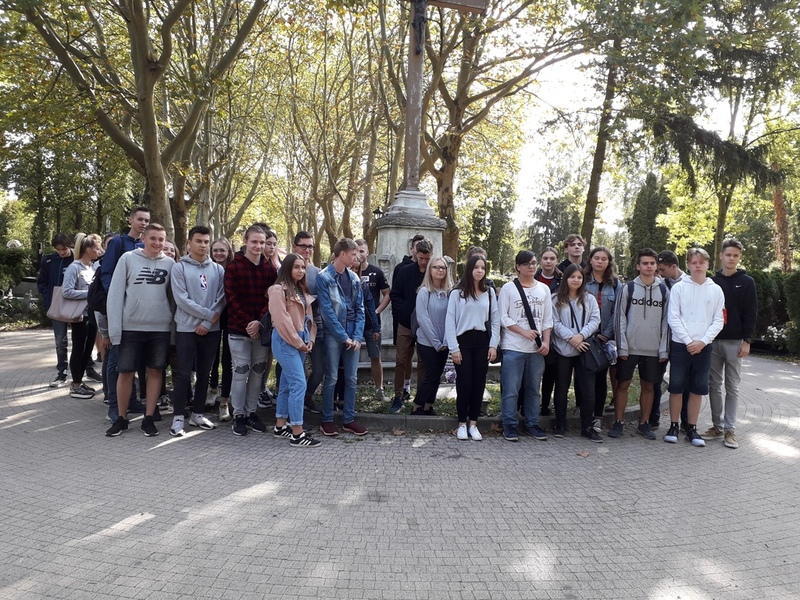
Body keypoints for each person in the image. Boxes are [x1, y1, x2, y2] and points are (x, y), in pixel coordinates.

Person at [105, 223, 175, 437]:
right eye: (153, 238)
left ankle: (149, 417)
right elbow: (115, 295)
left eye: (161, 239)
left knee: (155, 371)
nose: (157, 243)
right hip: (131, 327)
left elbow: (173, 299)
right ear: (143, 238)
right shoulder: (127, 259)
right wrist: (114, 330)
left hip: (159, 329)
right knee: (126, 372)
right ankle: (121, 418)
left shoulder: (170, 264)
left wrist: (172, 330)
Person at [663, 248, 725, 447]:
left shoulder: (716, 290)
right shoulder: (679, 288)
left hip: (703, 347)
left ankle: (692, 427)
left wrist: (703, 341)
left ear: (708, 264)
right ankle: (673, 426)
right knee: (676, 387)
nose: (698, 266)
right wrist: (688, 340)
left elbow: (718, 320)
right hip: (681, 345)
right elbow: (673, 317)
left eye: (701, 262)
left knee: (697, 389)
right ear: (688, 265)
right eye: (694, 262)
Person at [607, 248, 669, 441]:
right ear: (638, 266)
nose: (649, 266)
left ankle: (644, 423)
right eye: (645, 263)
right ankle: (618, 422)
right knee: (623, 384)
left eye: (652, 263)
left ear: (656, 266)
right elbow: (619, 318)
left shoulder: (664, 290)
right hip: (630, 347)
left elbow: (667, 322)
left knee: (648, 386)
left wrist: (663, 349)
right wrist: (622, 346)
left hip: (653, 349)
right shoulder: (629, 288)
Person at [169, 225, 225, 436]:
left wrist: (208, 323)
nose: (203, 245)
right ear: (189, 243)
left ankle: (198, 414)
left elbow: (221, 298)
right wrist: (208, 315)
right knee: (183, 374)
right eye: (198, 241)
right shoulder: (179, 268)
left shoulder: (218, 270)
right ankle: (178, 418)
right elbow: (182, 299)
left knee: (205, 373)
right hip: (186, 328)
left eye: (206, 242)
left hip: (211, 330)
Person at [703, 238, 758, 449]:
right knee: (713, 385)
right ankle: (717, 426)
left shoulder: (747, 282)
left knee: (732, 387)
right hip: (713, 341)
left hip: (735, 343)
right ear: (721, 256)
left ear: (739, 257)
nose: (731, 258)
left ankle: (730, 430)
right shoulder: (711, 282)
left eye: (735, 255)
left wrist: (747, 341)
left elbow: (751, 313)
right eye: (728, 255)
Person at [100, 205, 150, 423]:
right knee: (115, 359)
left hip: (139, 313)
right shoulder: (118, 243)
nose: (143, 223)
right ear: (130, 220)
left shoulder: (145, 245)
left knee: (133, 359)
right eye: (140, 219)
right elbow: (107, 274)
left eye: (146, 220)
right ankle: (114, 405)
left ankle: (131, 399)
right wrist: (117, 300)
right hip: (118, 309)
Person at [224, 224, 275, 436]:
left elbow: (271, 299)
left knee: (257, 373)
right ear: (245, 241)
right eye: (254, 242)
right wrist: (249, 323)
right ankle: (238, 415)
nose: (258, 246)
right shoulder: (233, 267)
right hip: (238, 329)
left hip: (260, 330)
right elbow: (231, 299)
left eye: (262, 242)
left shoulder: (270, 269)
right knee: (241, 372)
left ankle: (251, 412)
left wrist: (259, 323)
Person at [445, 254, 500, 441]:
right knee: (465, 382)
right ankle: (462, 423)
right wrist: (454, 348)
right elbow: (450, 322)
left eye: (483, 268)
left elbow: (495, 320)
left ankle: (474, 424)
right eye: (476, 267)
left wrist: (493, 345)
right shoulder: (457, 293)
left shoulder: (489, 292)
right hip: (463, 341)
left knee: (479, 383)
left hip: (482, 341)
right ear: (469, 269)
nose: (479, 271)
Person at [498, 250, 553, 442]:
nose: (532, 266)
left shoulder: (544, 289)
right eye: (527, 263)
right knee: (511, 389)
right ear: (518, 267)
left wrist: (546, 341)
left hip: (536, 349)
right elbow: (503, 317)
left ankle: (532, 423)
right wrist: (523, 332)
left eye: (534, 263)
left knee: (533, 389)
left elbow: (547, 319)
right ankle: (510, 424)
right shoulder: (508, 289)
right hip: (513, 347)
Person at [316, 238, 368, 436]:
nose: (357, 258)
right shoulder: (324, 277)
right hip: (333, 334)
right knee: (331, 377)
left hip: (353, 333)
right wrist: (343, 336)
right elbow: (327, 312)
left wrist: (357, 337)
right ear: (342, 254)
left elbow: (360, 309)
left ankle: (349, 419)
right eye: (354, 254)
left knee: (352, 378)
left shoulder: (354, 278)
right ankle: (327, 419)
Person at [268, 253, 320, 447]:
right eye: (296, 267)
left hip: (301, 341)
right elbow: (281, 321)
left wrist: (310, 340)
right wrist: (298, 342)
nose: (301, 270)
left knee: (288, 384)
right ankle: (298, 434)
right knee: (299, 384)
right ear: (287, 268)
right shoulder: (277, 290)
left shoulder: (301, 289)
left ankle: (280, 426)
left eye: (303, 267)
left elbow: (310, 319)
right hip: (285, 341)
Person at [551, 263, 601, 442]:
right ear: (566, 278)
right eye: (572, 277)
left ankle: (587, 426)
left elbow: (595, 320)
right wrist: (571, 338)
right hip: (563, 350)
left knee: (588, 391)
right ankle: (560, 424)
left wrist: (581, 336)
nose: (576, 280)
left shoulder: (589, 299)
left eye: (579, 277)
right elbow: (554, 323)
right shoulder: (556, 299)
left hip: (584, 350)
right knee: (561, 388)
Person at [389, 238, 433, 412]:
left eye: (427, 259)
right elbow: (395, 294)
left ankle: (420, 400)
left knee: (423, 362)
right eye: (421, 258)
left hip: (425, 326)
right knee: (401, 360)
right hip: (406, 324)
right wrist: (404, 311)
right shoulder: (405, 271)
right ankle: (398, 396)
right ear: (415, 253)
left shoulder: (434, 273)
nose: (424, 262)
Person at [584, 246, 622, 430]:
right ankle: (583, 412)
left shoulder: (614, 284)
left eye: (604, 259)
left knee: (600, 378)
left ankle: (597, 417)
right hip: (585, 337)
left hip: (605, 338)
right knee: (584, 377)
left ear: (609, 262)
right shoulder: (582, 280)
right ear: (590, 260)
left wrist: (606, 334)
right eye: (597, 258)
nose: (600, 261)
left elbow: (617, 312)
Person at [61, 233, 102, 399]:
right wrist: (89, 294)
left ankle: (79, 381)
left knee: (88, 349)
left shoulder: (92, 267)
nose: (100, 251)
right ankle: (75, 385)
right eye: (97, 248)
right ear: (87, 250)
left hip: (92, 314)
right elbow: (66, 291)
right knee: (79, 348)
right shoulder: (74, 267)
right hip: (79, 316)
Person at [411, 256, 452, 416]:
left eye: (443, 267)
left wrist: (446, 341)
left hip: (444, 342)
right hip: (427, 342)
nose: (440, 270)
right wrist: (436, 342)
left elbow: (452, 317)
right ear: (430, 270)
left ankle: (428, 406)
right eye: (436, 267)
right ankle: (417, 405)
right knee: (431, 374)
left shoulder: (450, 293)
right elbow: (423, 319)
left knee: (437, 375)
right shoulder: (424, 292)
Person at [37, 233, 75, 388]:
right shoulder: (49, 260)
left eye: (64, 249)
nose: (61, 252)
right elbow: (42, 282)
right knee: (60, 341)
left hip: (75, 304)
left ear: (69, 246)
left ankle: (86, 368)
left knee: (81, 340)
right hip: (56, 305)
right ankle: (62, 371)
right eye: (58, 249)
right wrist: (49, 297)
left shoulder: (77, 258)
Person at [292, 232, 323, 414]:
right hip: (292, 327)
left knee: (319, 369)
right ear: (294, 246)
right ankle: (286, 404)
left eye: (310, 246)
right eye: (303, 246)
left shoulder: (317, 273)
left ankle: (307, 398)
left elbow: (324, 300)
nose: (307, 250)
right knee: (291, 372)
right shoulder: (284, 270)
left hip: (314, 325)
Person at [356, 239, 390, 401]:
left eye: (362, 251)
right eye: (356, 251)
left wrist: (377, 311)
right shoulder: (348, 272)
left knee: (375, 356)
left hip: (372, 324)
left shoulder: (376, 272)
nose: (359, 254)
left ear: (368, 252)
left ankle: (379, 390)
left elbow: (387, 294)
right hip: (353, 324)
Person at [534, 247, 562, 416]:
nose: (549, 261)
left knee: (550, 372)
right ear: (540, 260)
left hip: (555, 331)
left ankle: (545, 405)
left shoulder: (562, 280)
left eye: (552, 258)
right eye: (545, 258)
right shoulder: (533, 277)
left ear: (557, 260)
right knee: (532, 372)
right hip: (534, 329)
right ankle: (527, 405)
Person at [209, 237, 235, 421]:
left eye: (222, 250)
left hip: (230, 318)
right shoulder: (207, 269)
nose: (218, 253)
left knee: (227, 360)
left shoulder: (233, 269)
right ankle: (212, 389)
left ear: (228, 252)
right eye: (215, 250)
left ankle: (224, 400)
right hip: (211, 317)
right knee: (212, 358)